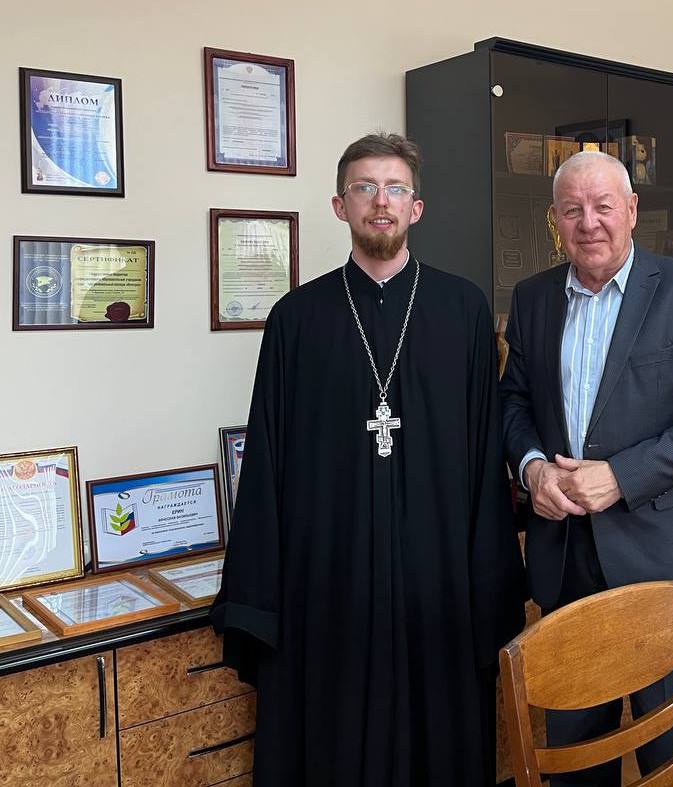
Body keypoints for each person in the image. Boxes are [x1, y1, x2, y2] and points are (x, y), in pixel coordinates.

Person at [211, 132, 526, 786]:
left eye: (395, 189)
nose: (380, 201)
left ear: (416, 207)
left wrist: (486, 585)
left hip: (438, 581)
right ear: (340, 205)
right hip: (330, 582)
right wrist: (260, 597)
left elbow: (484, 458)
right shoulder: (296, 319)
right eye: (364, 188)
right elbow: (267, 463)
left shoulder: (464, 309)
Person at [499, 150, 673, 786]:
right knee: (575, 753)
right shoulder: (532, 299)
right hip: (564, 556)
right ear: (554, 219)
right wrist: (532, 469)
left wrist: (620, 476)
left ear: (632, 210)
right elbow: (513, 402)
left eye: (604, 206)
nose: (589, 223)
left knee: (672, 751)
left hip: (657, 557)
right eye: (572, 210)